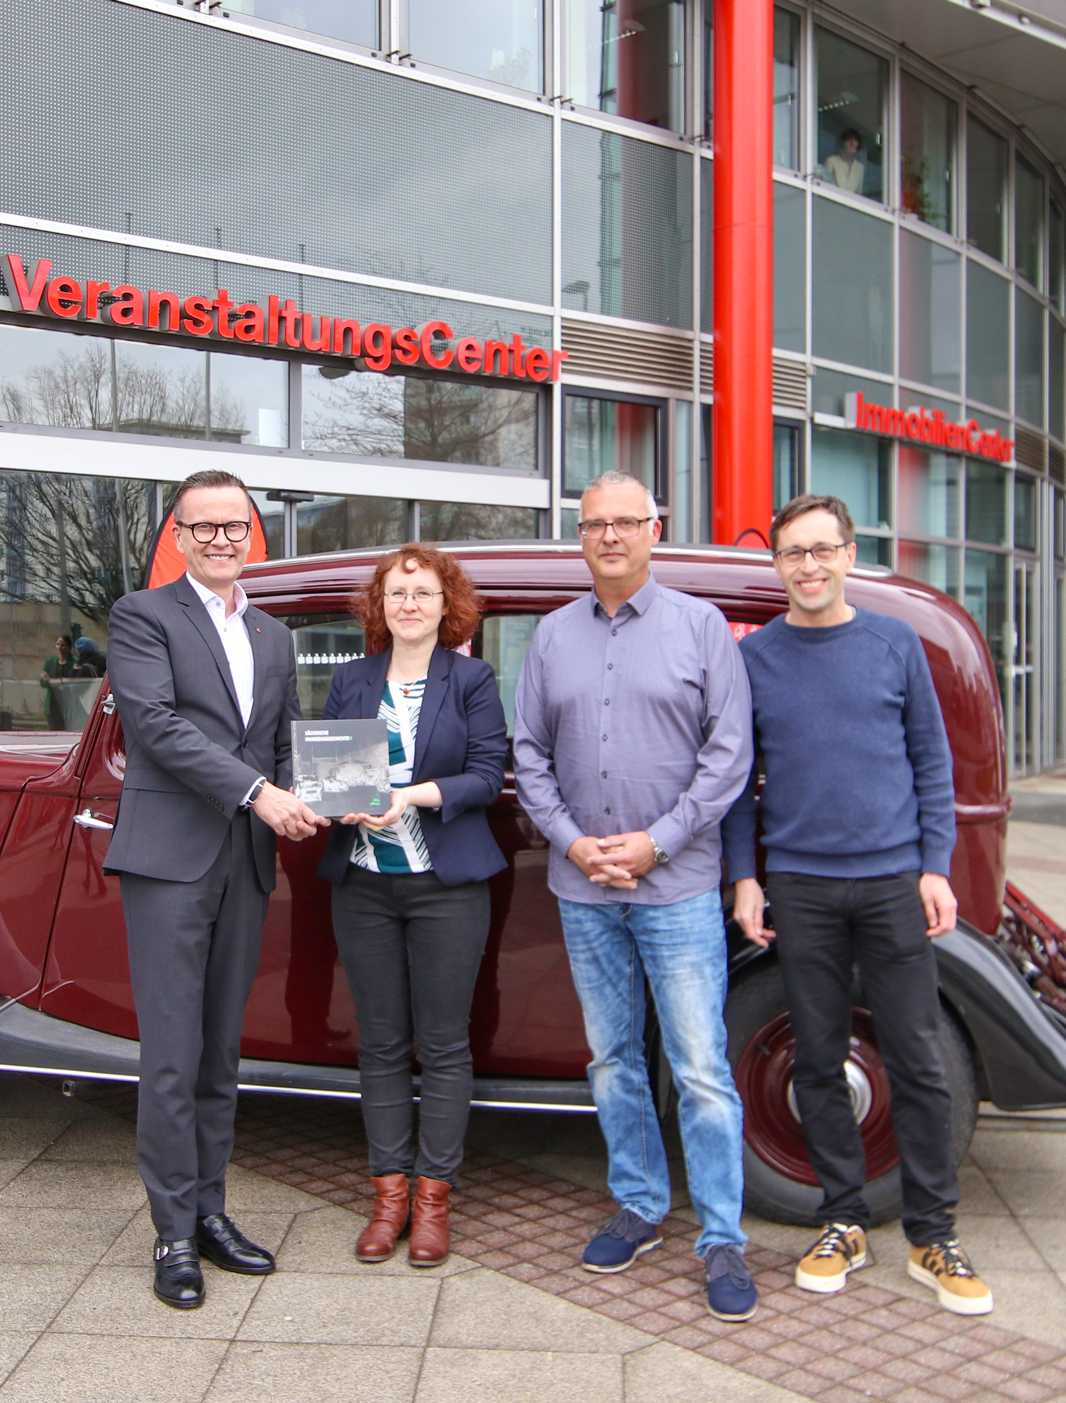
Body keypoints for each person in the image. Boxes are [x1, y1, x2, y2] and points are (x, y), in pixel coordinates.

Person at [721, 493, 992, 1318]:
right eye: (793, 552)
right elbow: (738, 785)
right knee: (818, 1057)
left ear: (846, 554)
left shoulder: (893, 642)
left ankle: (932, 1233)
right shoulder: (756, 658)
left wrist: (935, 866)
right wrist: (746, 875)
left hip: (890, 883)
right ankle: (843, 1219)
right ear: (777, 566)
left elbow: (931, 761)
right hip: (800, 886)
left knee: (915, 1056)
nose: (808, 565)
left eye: (821, 549)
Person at [512, 470, 759, 1323]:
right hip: (583, 886)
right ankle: (641, 1204)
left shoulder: (700, 629)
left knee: (699, 1066)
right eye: (594, 525)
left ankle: (722, 1237)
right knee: (612, 1056)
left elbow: (730, 756)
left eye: (626, 522)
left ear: (655, 529)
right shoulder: (549, 637)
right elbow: (530, 754)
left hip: (679, 886)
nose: (609, 536)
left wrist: (659, 841)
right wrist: (575, 842)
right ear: (579, 538)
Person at [102, 468, 326, 1310]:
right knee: (171, 1054)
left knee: (221, 1052)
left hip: (244, 860)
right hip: (170, 858)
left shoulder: (272, 634)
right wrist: (259, 793)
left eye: (236, 526)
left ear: (252, 535)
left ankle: (210, 1212)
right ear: (181, 537)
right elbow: (154, 727)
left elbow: (277, 739)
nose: (223, 539)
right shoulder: (144, 615)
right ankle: (170, 1234)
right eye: (206, 527)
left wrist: (316, 790)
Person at [319, 545, 508, 1269]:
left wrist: (411, 795)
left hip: (446, 886)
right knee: (381, 1044)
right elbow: (334, 776)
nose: (409, 604)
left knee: (445, 1043)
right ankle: (389, 1193)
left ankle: (434, 1197)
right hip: (365, 884)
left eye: (423, 593)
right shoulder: (352, 679)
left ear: (445, 604)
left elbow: (487, 775)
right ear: (380, 604)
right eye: (397, 593)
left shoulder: (472, 679)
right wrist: (341, 804)